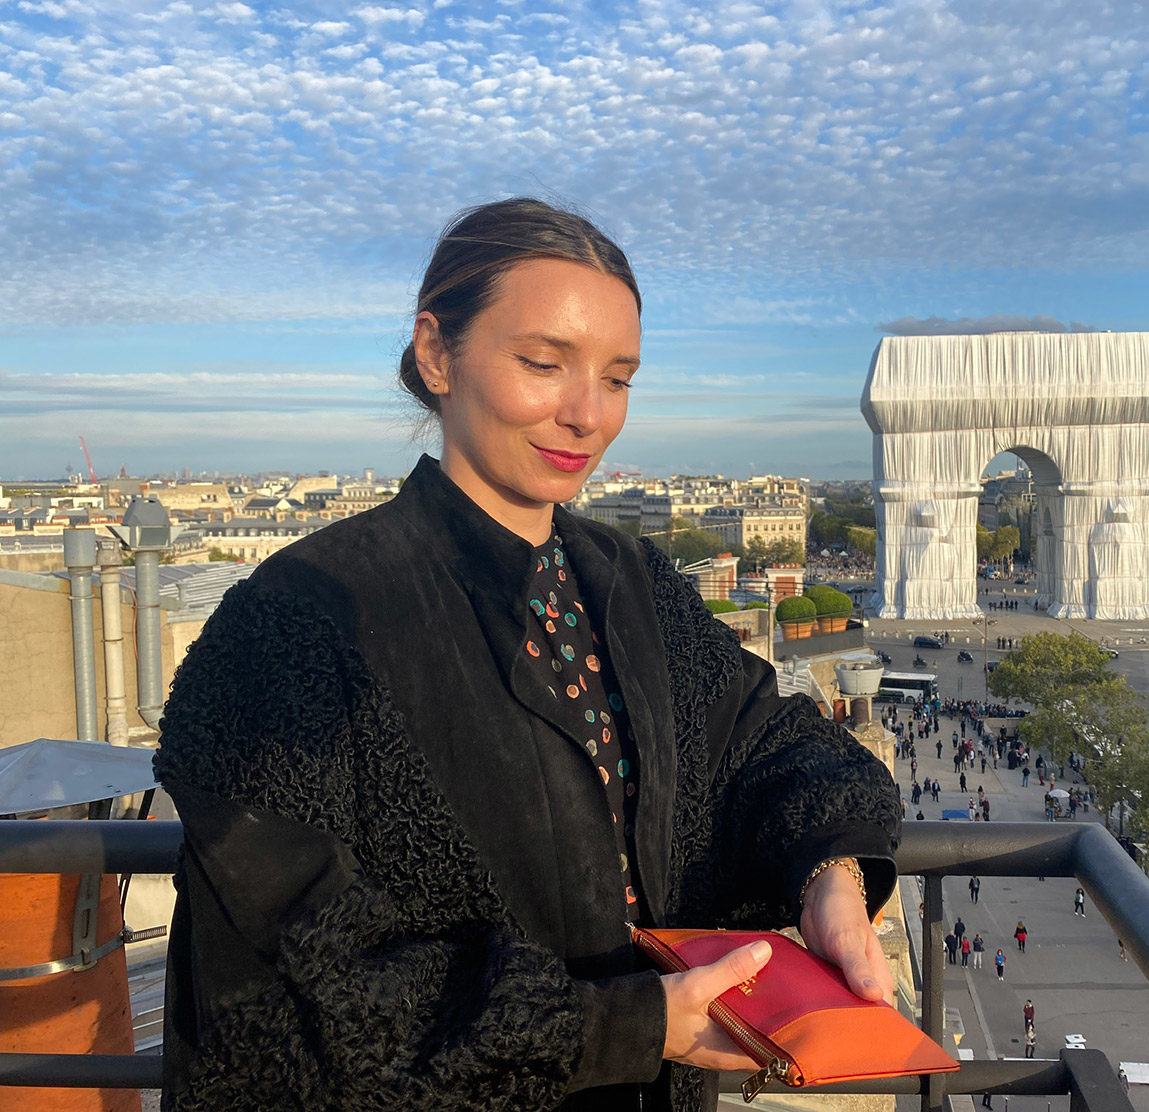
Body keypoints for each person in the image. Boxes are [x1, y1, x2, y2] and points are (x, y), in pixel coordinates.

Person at [152, 199, 901, 1112]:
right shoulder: (294, 622)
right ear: (437, 354)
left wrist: (830, 872)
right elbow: (308, 970)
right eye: (543, 364)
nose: (587, 415)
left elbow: (764, 737)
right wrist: (629, 1028)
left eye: (619, 378)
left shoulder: (627, 578)